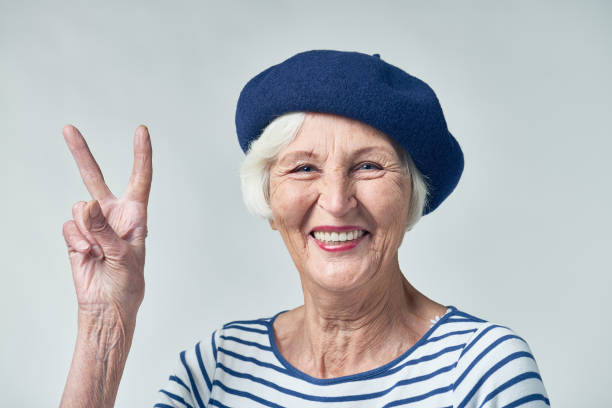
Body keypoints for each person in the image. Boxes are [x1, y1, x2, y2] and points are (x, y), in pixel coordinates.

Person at [60, 50, 550, 407]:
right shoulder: (217, 365)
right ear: (269, 200)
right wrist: (105, 325)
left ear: (411, 197)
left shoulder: (483, 371)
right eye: (303, 169)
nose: (336, 203)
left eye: (369, 167)